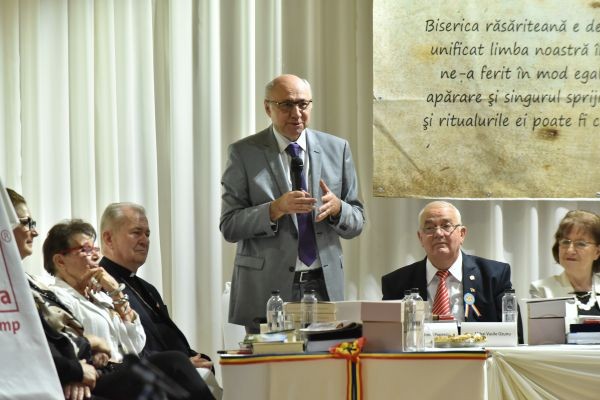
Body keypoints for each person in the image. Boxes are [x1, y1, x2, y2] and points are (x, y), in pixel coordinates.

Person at [7, 189, 212, 400]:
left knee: (173, 369)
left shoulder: (101, 297)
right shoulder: (58, 296)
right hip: (98, 374)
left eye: (95, 249)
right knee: (172, 364)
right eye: (86, 249)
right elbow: (57, 340)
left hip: (117, 369)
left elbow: (136, 344)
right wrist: (84, 358)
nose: (95, 255)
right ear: (60, 261)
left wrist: (116, 294)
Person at [220, 74, 365, 332]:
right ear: (268, 108)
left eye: (303, 104)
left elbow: (357, 220)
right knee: (274, 359)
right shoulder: (244, 153)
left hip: (323, 286)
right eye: (286, 105)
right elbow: (229, 225)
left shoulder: (337, 149)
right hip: (267, 289)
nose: (296, 113)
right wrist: (275, 209)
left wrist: (338, 209)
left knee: (325, 358)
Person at [97, 202, 221, 398]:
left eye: (147, 234)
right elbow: (119, 346)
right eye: (136, 233)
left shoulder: (147, 288)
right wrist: (182, 361)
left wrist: (191, 356)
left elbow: (166, 337)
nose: (145, 240)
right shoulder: (100, 286)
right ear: (108, 238)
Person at [382, 201, 520, 333]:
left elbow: (514, 336)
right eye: (429, 228)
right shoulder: (396, 283)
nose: (438, 233)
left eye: (446, 226)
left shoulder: (494, 275)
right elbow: (387, 338)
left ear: (462, 234)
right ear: (420, 238)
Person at [530, 210, 600, 315]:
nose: (570, 250)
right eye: (565, 242)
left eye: (581, 244)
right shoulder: (542, 290)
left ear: (597, 252)